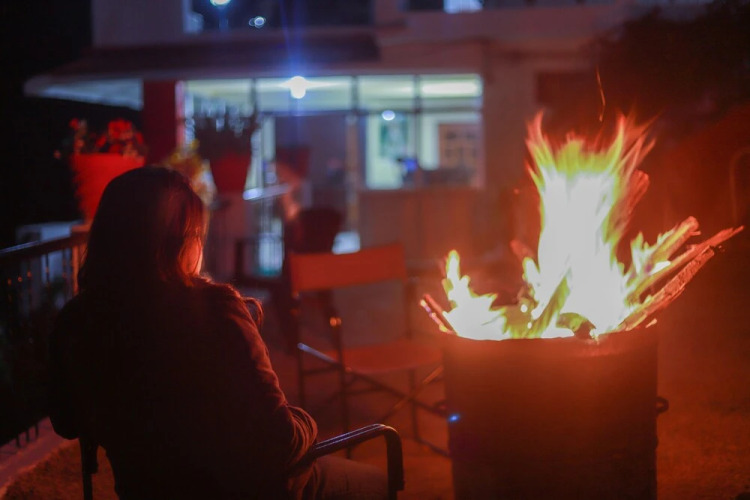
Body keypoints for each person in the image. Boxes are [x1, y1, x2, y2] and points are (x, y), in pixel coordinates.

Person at [48, 166, 387, 499]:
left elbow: (67, 422)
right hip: (252, 490)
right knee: (378, 481)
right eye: (197, 235)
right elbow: (282, 442)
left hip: (144, 490)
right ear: (179, 242)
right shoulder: (215, 311)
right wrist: (306, 422)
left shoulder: (74, 322)